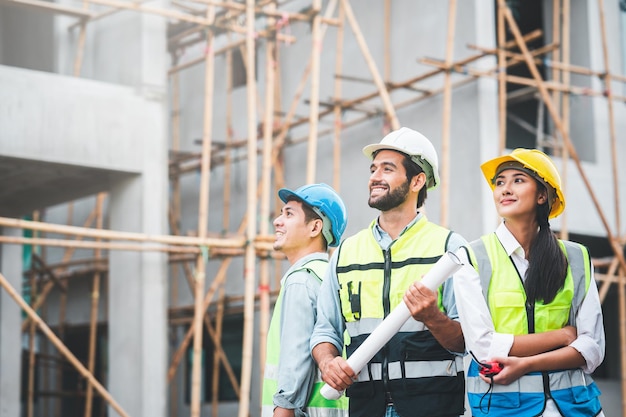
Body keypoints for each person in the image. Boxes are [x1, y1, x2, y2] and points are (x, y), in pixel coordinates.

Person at [310, 127, 467, 417]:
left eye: (387, 168)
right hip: (366, 407)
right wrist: (328, 362)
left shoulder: (450, 249)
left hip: (433, 406)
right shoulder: (346, 253)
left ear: (417, 180)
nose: (374, 177)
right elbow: (325, 330)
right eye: (373, 169)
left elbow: (467, 342)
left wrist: (433, 317)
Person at [453, 148, 605, 416]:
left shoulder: (576, 257)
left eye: (518, 180)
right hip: (504, 408)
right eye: (500, 182)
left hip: (575, 406)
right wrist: (563, 336)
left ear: (542, 195)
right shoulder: (472, 257)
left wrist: (526, 364)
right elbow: (484, 347)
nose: (505, 189)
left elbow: (592, 348)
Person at [262, 183, 349, 417]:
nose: (277, 221)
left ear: (314, 227)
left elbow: (295, 357)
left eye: (289, 214)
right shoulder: (331, 277)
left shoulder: (301, 280)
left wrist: (283, 409)